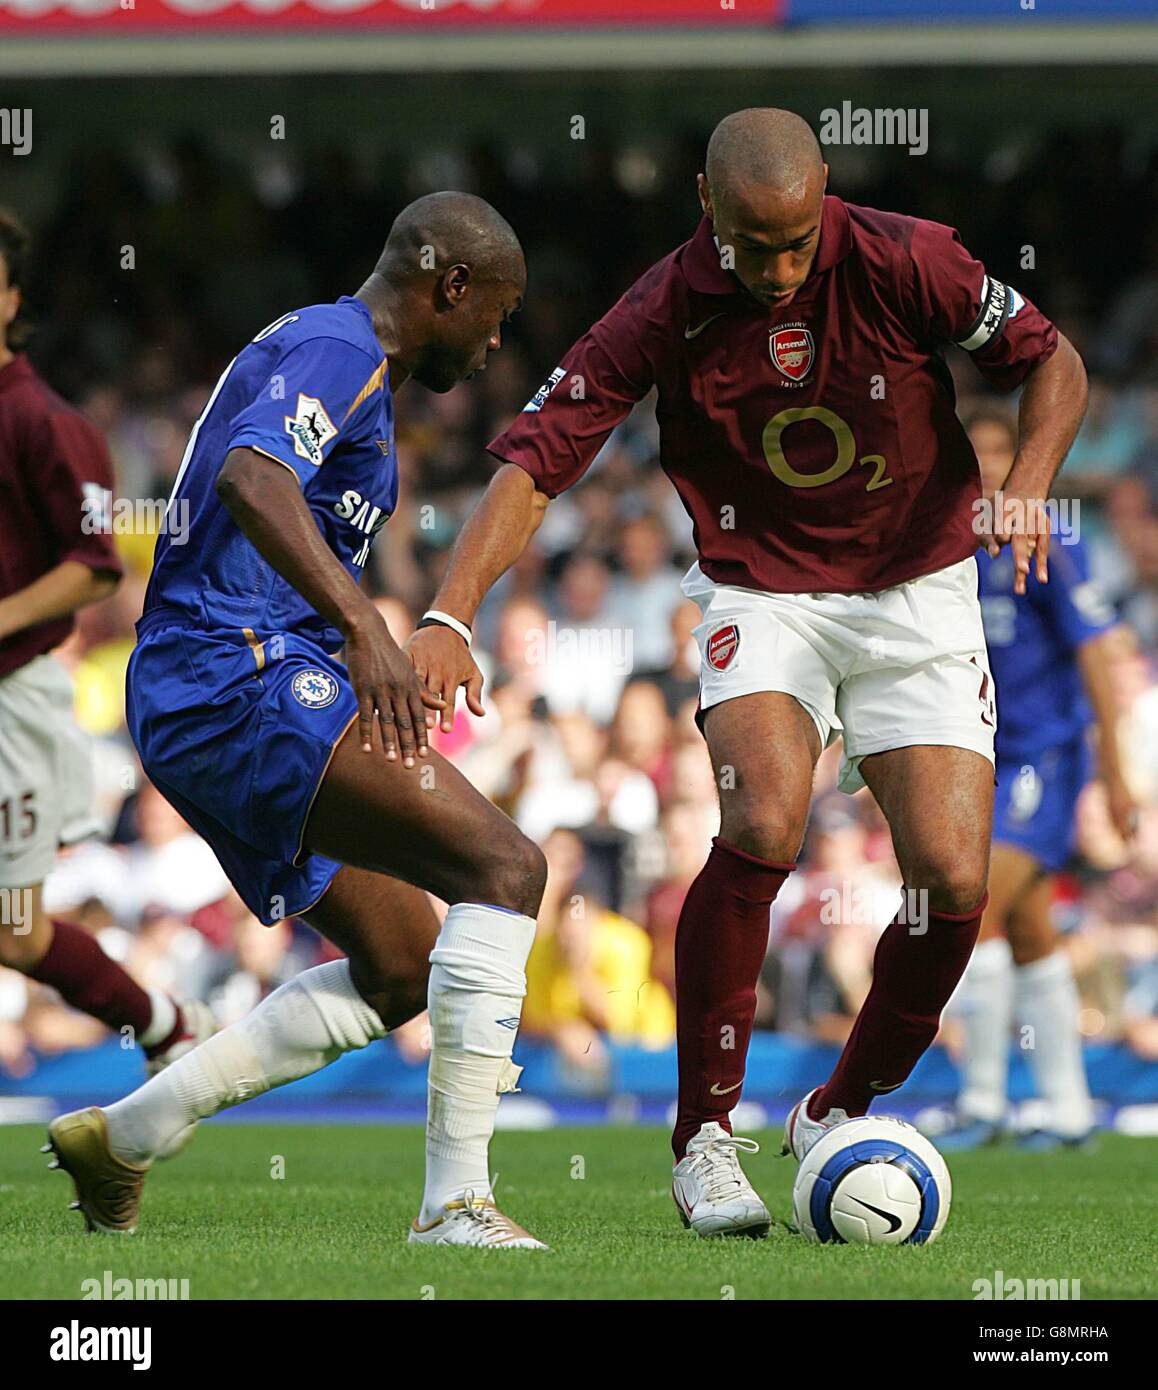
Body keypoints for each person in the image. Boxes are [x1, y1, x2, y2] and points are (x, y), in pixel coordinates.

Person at [404, 110, 1088, 1237]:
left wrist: (1030, 481)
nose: (774, 271)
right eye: (748, 244)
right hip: (762, 588)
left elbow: (1050, 357)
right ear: (703, 204)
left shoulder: (910, 258)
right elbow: (535, 466)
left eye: (794, 241)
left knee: (954, 886)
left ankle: (835, 1109)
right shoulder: (661, 306)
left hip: (921, 584)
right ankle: (705, 1140)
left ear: (827, 192)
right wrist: (448, 612)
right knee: (764, 821)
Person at [45, 192, 550, 1250]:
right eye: (496, 312)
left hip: (208, 688)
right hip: (235, 673)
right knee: (505, 868)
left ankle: (125, 1135)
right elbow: (252, 478)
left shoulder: (324, 348)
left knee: (404, 962)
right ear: (449, 284)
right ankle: (454, 1206)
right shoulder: (342, 344)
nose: (498, 337)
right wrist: (366, 630)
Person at [0, 206, 213, 1099]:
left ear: (11, 297)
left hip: (12, 699)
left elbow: (93, 568)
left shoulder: (47, 423)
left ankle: (161, 1021)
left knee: (14, 932)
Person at [938, 407, 1137, 1151]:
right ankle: (1071, 1113)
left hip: (1044, 759)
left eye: (1000, 454)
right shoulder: (949, 547)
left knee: (978, 903)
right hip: (980, 758)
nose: (987, 470)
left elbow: (1096, 655)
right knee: (1028, 930)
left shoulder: (1048, 537)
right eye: (976, 455)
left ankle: (984, 1103)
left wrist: (1114, 777)